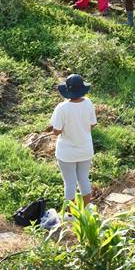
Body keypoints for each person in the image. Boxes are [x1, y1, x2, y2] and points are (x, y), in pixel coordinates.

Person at [49, 74, 97, 206]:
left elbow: (56, 131)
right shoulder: (88, 103)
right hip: (85, 149)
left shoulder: (62, 108)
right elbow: (93, 124)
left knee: (70, 182)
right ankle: (87, 209)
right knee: (83, 178)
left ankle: (70, 214)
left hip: (67, 152)